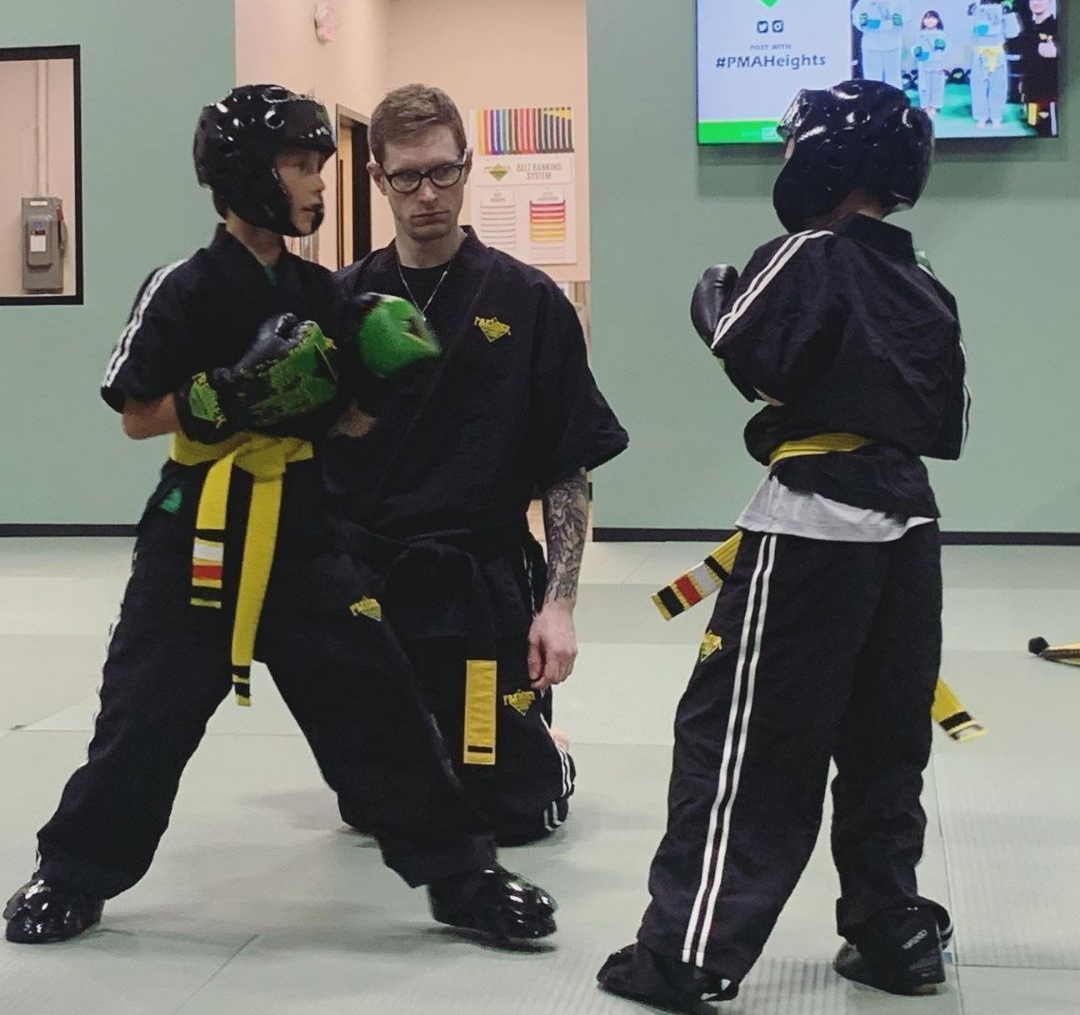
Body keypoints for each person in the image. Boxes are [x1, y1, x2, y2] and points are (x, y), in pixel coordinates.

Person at [3, 84, 556, 947]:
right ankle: (72, 874)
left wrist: (375, 382)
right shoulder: (181, 286)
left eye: (320, 166)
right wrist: (227, 396)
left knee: (377, 698)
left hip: (301, 524)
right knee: (145, 714)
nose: (318, 183)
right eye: (302, 165)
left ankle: (461, 876)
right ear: (246, 175)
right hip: (198, 526)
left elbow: (348, 421)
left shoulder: (318, 288)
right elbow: (135, 412)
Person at [597, 80, 968, 1010]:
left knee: (741, 740)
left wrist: (708, 293)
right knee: (886, 740)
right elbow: (946, 416)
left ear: (824, 158)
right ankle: (893, 934)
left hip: (811, 527)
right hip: (907, 527)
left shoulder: (807, 250)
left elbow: (744, 342)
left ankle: (687, 951)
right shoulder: (927, 281)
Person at [328, 84, 628, 846]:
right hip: (377, 580)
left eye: (443, 172)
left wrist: (558, 605)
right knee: (377, 814)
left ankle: (546, 758)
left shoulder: (531, 303)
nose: (427, 194)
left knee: (508, 814)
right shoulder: (342, 304)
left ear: (468, 167)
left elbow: (568, 467)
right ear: (378, 179)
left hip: (483, 580)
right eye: (406, 177)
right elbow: (313, 461)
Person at [967, 0, 1021, 130]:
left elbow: (1013, 33)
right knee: (978, 87)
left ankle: (996, 117)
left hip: (997, 54)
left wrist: (1008, 14)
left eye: (993, 1)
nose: (990, 3)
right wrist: (970, 15)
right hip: (980, 55)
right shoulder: (977, 14)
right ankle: (981, 117)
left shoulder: (1003, 14)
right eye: (987, 0)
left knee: (998, 87)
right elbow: (968, 33)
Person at [851, 0, 911, 89]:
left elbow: (907, 17)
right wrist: (861, 22)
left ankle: (895, 106)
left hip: (892, 44)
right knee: (872, 80)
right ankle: (874, 108)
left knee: (893, 79)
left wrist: (900, 21)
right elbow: (856, 17)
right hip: (871, 45)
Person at [1019, 0, 1058, 137]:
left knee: (1047, 133)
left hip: (1049, 92)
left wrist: (1055, 52)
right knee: (1032, 125)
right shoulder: (1029, 29)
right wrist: (1023, 83)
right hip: (1030, 90)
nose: (1036, 2)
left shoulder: (1056, 26)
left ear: (1050, 1)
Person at [912, 10, 950, 116]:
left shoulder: (941, 34)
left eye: (933, 18)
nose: (930, 21)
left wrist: (943, 46)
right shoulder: (920, 35)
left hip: (937, 64)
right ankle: (925, 105)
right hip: (923, 64)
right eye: (927, 18)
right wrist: (916, 50)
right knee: (924, 86)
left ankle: (934, 105)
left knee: (936, 85)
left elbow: (947, 47)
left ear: (938, 20)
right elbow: (915, 47)